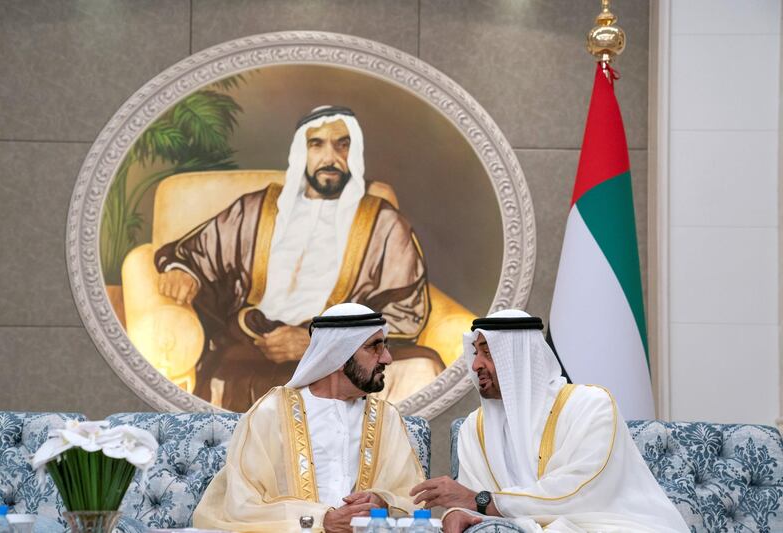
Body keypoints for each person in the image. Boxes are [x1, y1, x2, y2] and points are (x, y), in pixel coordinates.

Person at [154, 105, 443, 411]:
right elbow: (196, 253)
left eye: (341, 145)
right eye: (316, 144)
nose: (329, 158)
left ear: (354, 152)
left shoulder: (384, 223)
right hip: (256, 341)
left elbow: (405, 311)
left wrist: (324, 343)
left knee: (422, 370)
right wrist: (181, 271)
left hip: (344, 351)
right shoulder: (256, 210)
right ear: (300, 152)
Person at [410, 310, 688, 533]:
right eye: (475, 353)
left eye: (488, 352)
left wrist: (478, 501)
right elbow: (471, 497)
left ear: (518, 357)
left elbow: (575, 492)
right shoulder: (476, 427)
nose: (475, 365)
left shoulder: (590, 406)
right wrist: (456, 511)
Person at [192, 303, 425, 533]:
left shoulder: (386, 417)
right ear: (339, 354)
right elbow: (242, 505)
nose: (387, 358)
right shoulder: (272, 413)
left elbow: (409, 494)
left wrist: (381, 501)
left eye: (384, 347)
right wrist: (321, 520)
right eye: (374, 347)